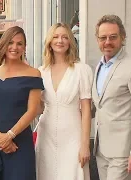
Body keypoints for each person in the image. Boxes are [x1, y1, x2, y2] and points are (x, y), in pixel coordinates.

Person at [92, 15, 131, 180]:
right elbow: (100, 105)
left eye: (113, 37)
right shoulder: (99, 66)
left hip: (123, 153)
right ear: (97, 40)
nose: (107, 42)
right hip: (101, 150)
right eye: (103, 38)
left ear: (123, 37)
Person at [0, 26, 44, 180]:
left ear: (24, 47)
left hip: (20, 141)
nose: (14, 47)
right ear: (3, 44)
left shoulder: (34, 74)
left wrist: (9, 136)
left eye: (19, 43)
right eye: (11, 42)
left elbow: (32, 110)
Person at [35, 23, 93, 180]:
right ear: (49, 41)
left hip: (73, 135)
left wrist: (85, 145)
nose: (60, 41)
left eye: (64, 37)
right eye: (55, 36)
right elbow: (38, 107)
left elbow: (86, 110)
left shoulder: (82, 70)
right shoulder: (41, 71)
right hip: (46, 135)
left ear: (70, 41)